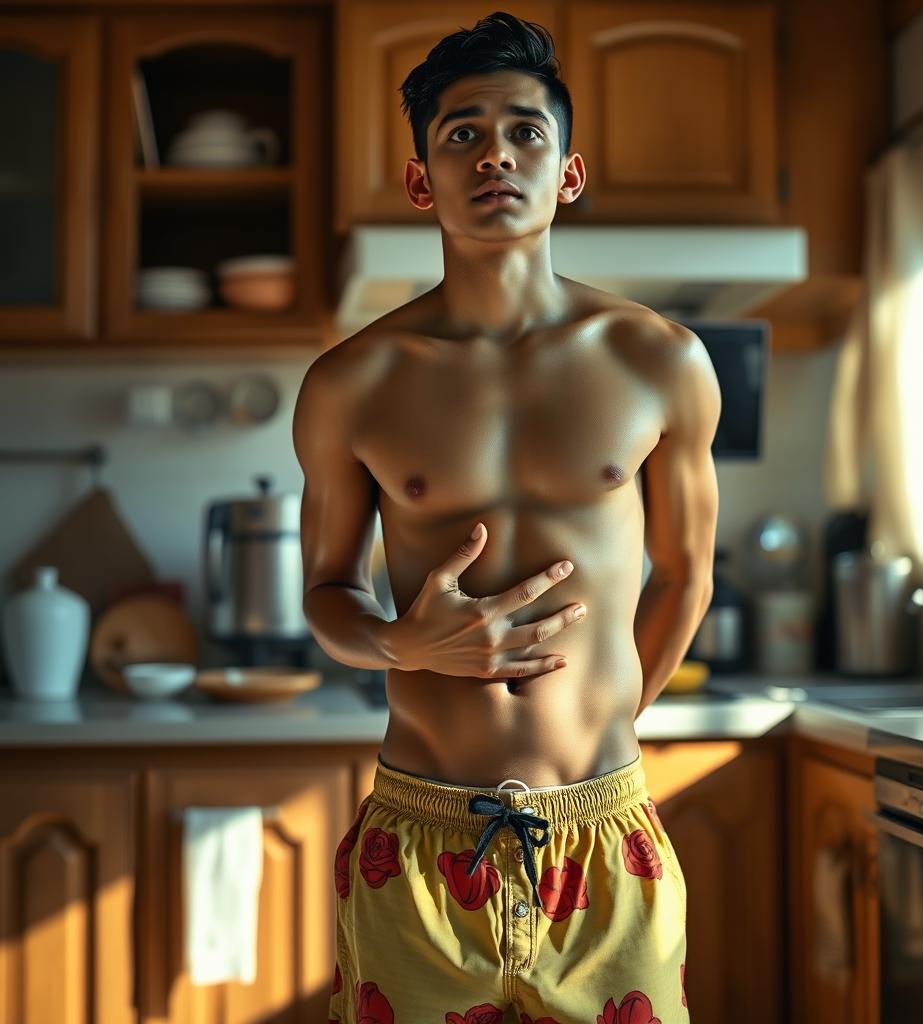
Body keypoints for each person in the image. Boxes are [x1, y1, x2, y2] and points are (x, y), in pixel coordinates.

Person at [294, 11, 720, 1023]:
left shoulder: (660, 360)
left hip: (604, 833)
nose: (495, 153)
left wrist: (608, 719)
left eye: (525, 131)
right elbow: (324, 592)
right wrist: (403, 642)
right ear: (420, 181)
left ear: (567, 172)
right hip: (418, 839)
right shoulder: (352, 382)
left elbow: (686, 574)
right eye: (461, 133)